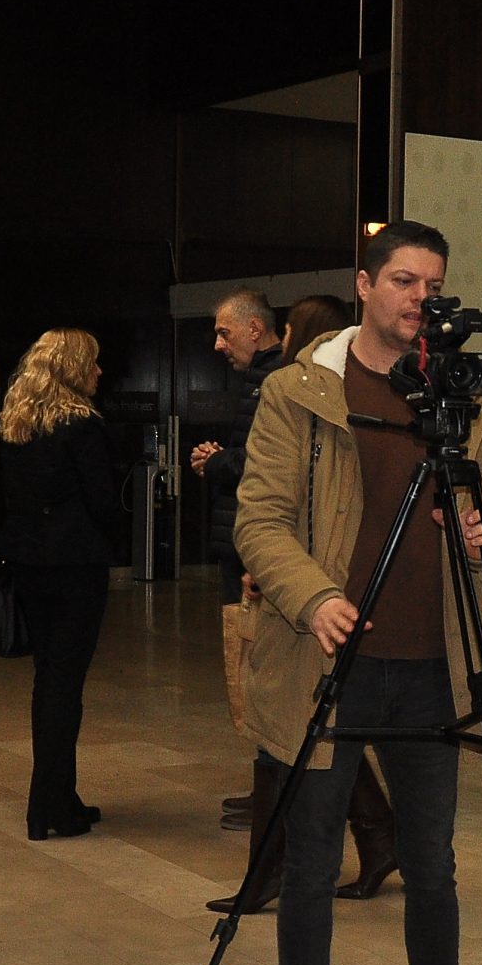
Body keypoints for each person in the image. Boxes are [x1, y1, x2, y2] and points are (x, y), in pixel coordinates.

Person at [235, 221, 482, 965]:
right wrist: (314, 597)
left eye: (433, 284)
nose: (419, 299)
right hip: (326, 661)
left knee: (432, 865)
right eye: (403, 280)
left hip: (434, 666)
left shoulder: (469, 396)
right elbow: (260, 520)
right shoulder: (301, 390)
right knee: (311, 862)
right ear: (364, 286)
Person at [205, 290, 402, 911]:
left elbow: (280, 496)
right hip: (298, 583)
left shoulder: (292, 389)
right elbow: (273, 503)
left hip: (320, 597)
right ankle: (374, 837)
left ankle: (279, 870)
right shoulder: (291, 388)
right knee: (306, 732)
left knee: (294, 733)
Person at [0, 328, 125, 840]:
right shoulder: (82, 425)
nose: (99, 372)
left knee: (48, 679)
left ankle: (58, 796)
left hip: (28, 563)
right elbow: (103, 502)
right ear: (74, 369)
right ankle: (47, 804)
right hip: (75, 567)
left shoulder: (17, 423)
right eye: (93, 363)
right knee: (65, 684)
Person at [191, 288, 279, 831]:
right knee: (249, 675)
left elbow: (266, 463)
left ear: (253, 328)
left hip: (256, 554)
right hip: (241, 544)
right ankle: (266, 786)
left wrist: (218, 463)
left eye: (225, 332)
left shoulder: (274, 380)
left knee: (262, 675)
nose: (218, 344)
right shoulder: (256, 381)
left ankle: (276, 792)